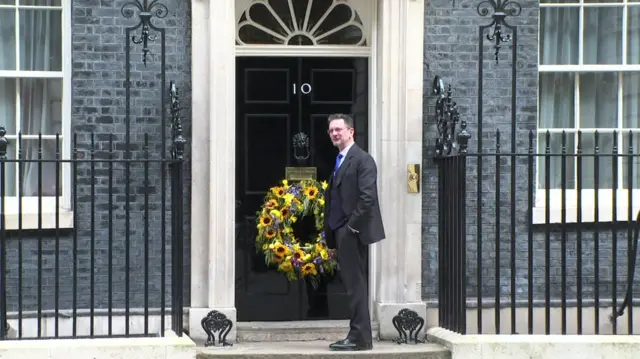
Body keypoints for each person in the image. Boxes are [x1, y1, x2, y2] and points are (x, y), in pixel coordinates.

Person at [323, 113, 385, 351]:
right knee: (351, 284)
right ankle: (358, 334)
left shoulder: (362, 159)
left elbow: (367, 197)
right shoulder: (340, 159)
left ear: (351, 132)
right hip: (341, 230)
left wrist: (351, 228)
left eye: (339, 129)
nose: (335, 133)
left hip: (352, 231)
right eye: (331, 130)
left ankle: (360, 337)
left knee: (355, 284)